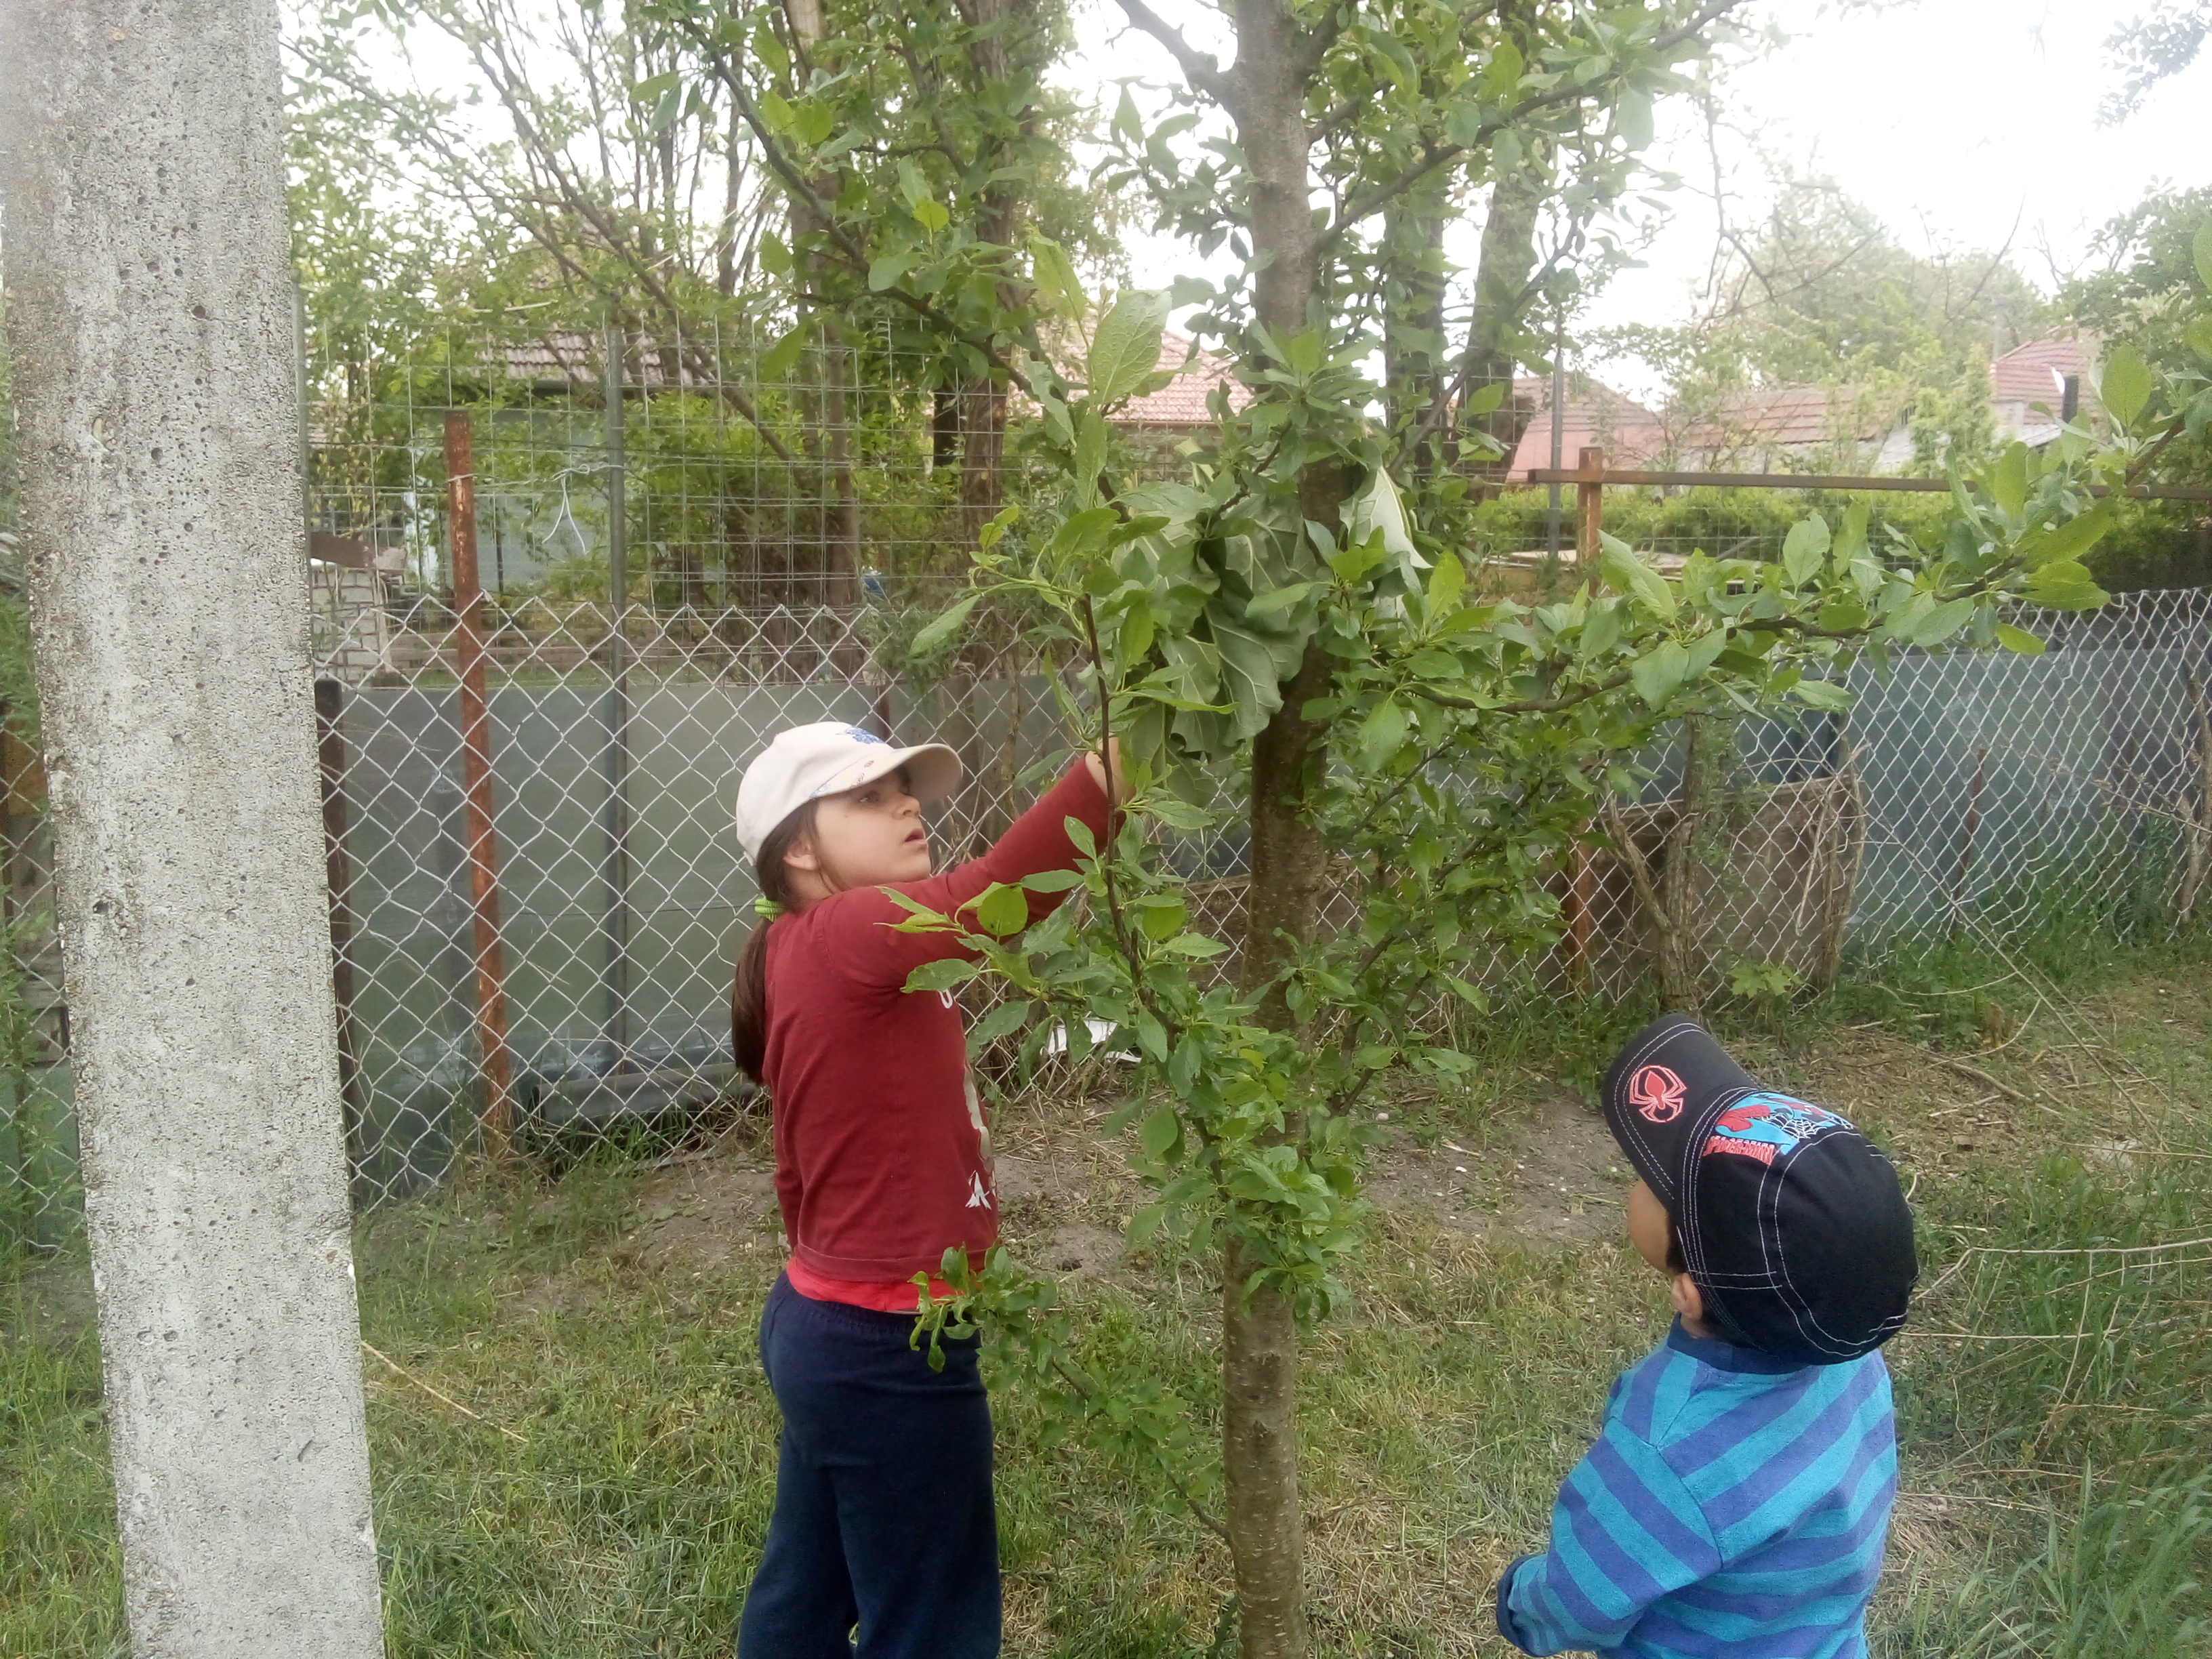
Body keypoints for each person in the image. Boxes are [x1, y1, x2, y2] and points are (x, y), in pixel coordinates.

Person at [727, 720, 1118, 1659]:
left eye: (905, 787)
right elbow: (998, 896)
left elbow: (796, 1159)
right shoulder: (856, 930)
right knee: (932, 1616)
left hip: (821, 1322)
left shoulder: (813, 953)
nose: (908, 804)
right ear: (800, 851)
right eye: (868, 796)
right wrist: (1112, 772)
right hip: (891, 1347)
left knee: (809, 1582)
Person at [1493, 1012, 1919, 1659]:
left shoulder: (1667, 1446)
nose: (1636, 1176)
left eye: (1652, 1179)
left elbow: (1580, 1604)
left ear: (1690, 1290)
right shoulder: (1846, 1355)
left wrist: (1522, 1600)